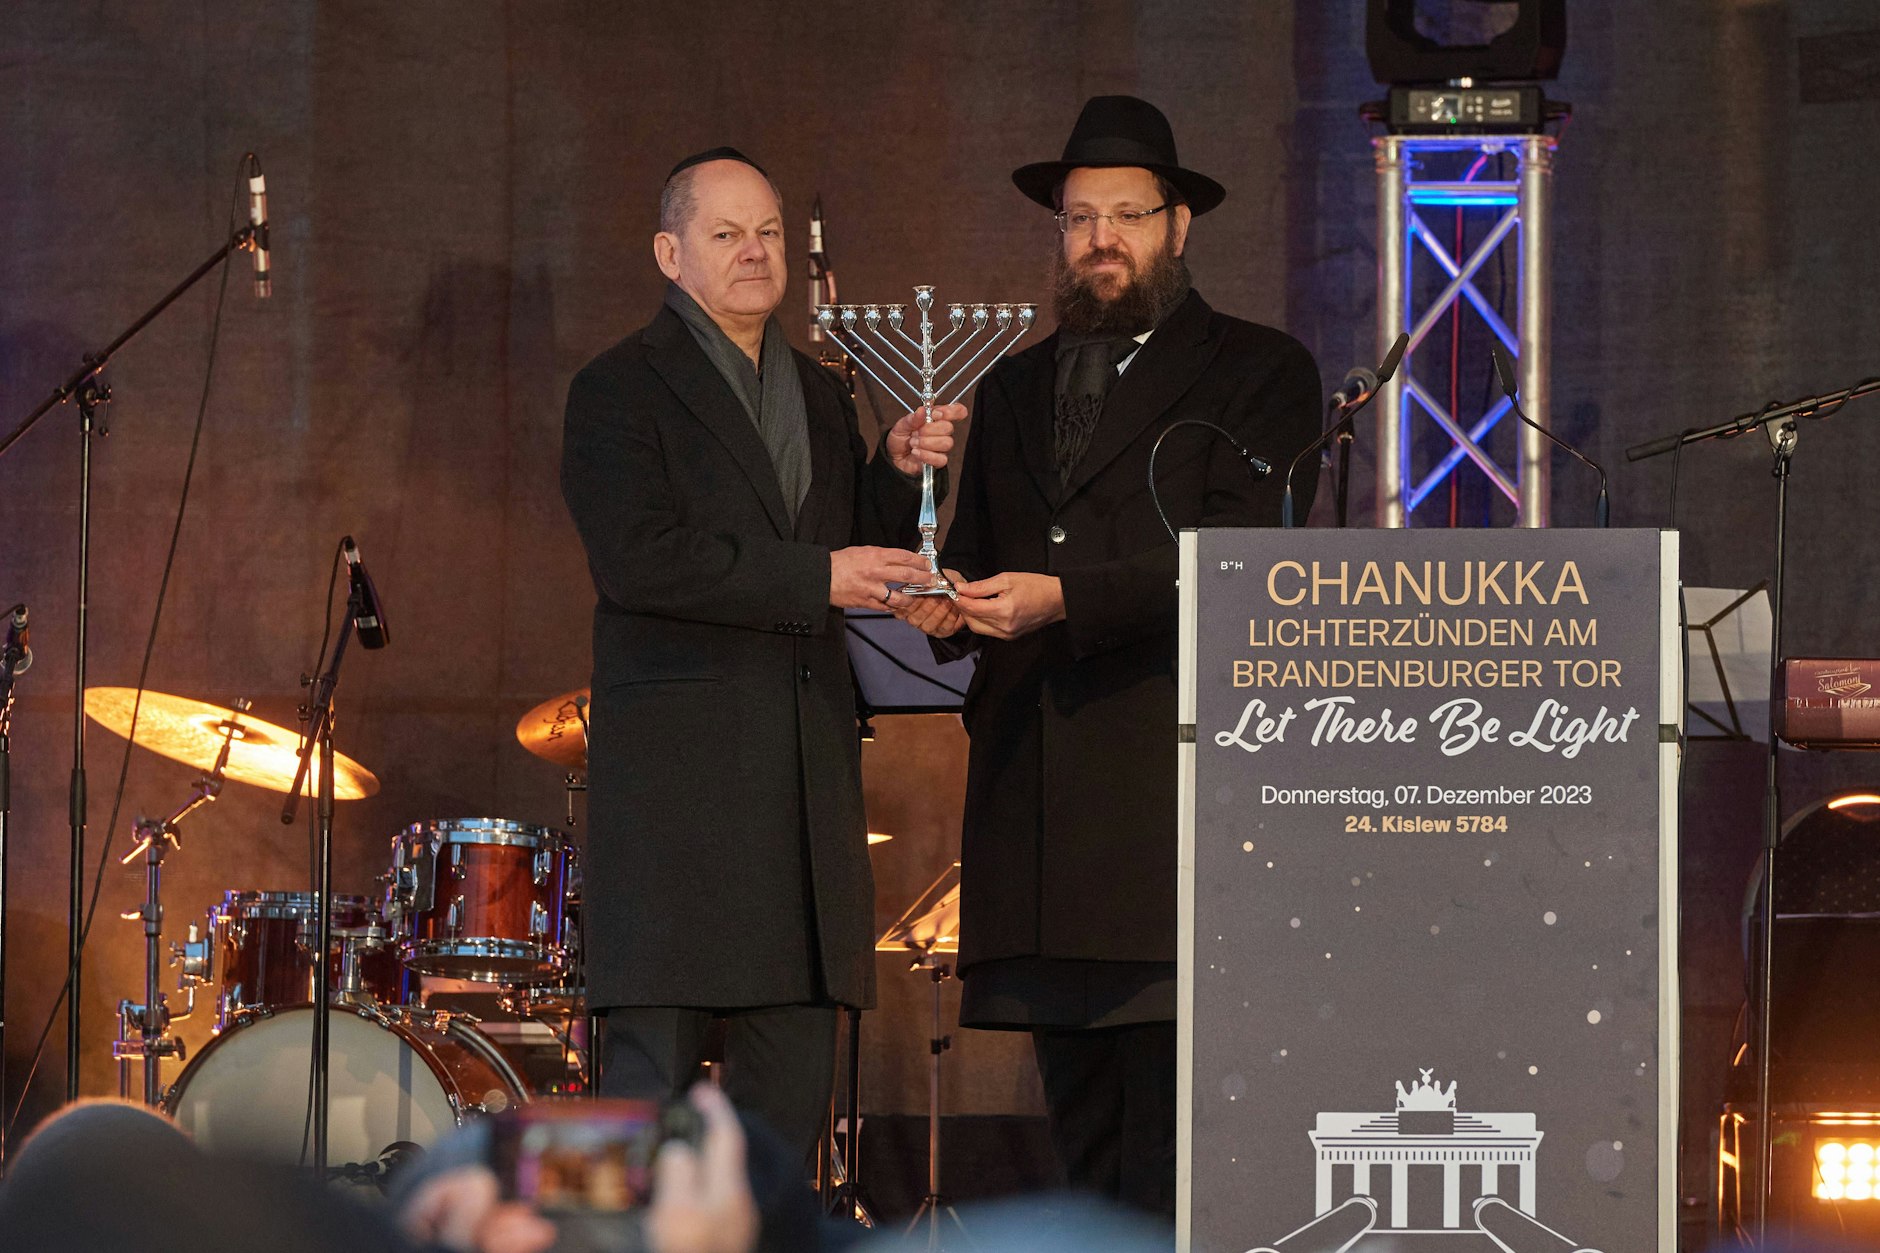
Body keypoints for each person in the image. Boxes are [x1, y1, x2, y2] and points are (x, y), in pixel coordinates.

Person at [895, 96, 1323, 1216]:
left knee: (1181, 1158)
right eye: (1078, 217)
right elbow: (974, 553)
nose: (1100, 240)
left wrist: (1063, 600)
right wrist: (950, 596)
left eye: (1126, 215)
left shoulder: (1259, 371)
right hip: (1040, 827)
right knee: (1084, 1158)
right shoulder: (1013, 385)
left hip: (1172, 823)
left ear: (1178, 226)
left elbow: (1247, 563)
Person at [561, 146, 963, 1165]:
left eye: (770, 232)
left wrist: (895, 467)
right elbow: (639, 559)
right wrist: (815, 578)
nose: (755, 252)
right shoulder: (616, 388)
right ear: (669, 252)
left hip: (803, 793)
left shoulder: (824, 394)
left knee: (785, 1121)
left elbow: (846, 549)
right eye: (726, 233)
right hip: (678, 807)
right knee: (645, 1115)